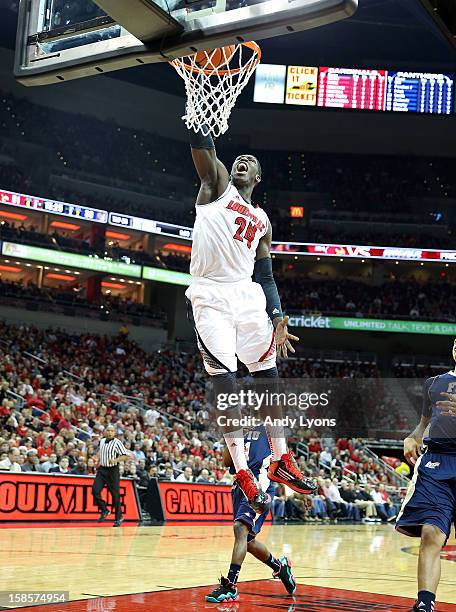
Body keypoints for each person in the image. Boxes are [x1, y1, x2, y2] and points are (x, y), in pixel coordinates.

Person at [185, 124, 317, 512]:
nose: (241, 162)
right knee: (224, 380)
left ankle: (280, 459)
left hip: (246, 294)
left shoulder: (263, 221)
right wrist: (198, 116)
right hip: (210, 293)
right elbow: (204, 152)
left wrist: (277, 314)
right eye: (239, 159)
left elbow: (266, 275)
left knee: (267, 372)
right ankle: (243, 472)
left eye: (250, 162)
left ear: (258, 178)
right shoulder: (217, 187)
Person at [396, 338, 456, 612]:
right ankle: (425, 604)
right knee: (431, 532)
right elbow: (423, 426)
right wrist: (412, 437)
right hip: (436, 462)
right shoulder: (433, 383)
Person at [205, 427, 296, 603]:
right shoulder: (237, 428)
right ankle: (281, 568)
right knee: (248, 540)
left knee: (240, 529)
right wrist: (230, 437)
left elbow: (284, 460)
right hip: (240, 485)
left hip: (260, 484)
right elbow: (226, 461)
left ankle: (230, 586)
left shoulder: (270, 427)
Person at [92, 424, 131, 527]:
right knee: (95, 490)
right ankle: (104, 509)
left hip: (113, 470)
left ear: (114, 433)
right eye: (108, 430)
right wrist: (97, 460)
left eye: (111, 431)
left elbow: (126, 456)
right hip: (102, 469)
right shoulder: (102, 441)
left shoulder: (117, 442)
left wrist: (115, 460)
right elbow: (101, 452)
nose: (109, 432)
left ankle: (119, 517)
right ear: (105, 431)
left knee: (115, 495)